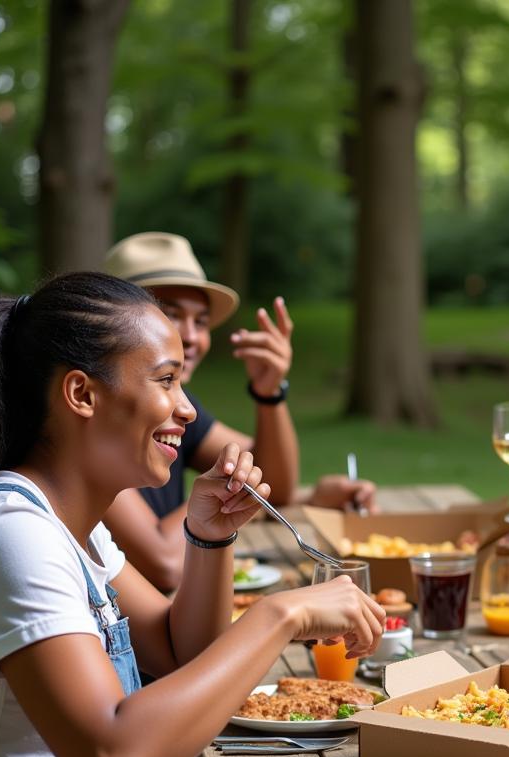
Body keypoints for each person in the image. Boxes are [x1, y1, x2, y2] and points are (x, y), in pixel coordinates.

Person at [0, 273, 384, 757]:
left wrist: (209, 538)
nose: (189, 408)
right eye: (166, 380)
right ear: (82, 394)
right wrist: (282, 616)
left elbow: (177, 650)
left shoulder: (74, 524)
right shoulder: (15, 535)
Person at [102, 232, 377, 591]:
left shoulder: (179, 410)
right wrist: (234, 496)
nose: (190, 337)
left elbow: (271, 484)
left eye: (200, 321)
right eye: (170, 315)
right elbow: (164, 563)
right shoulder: (93, 429)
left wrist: (269, 394)